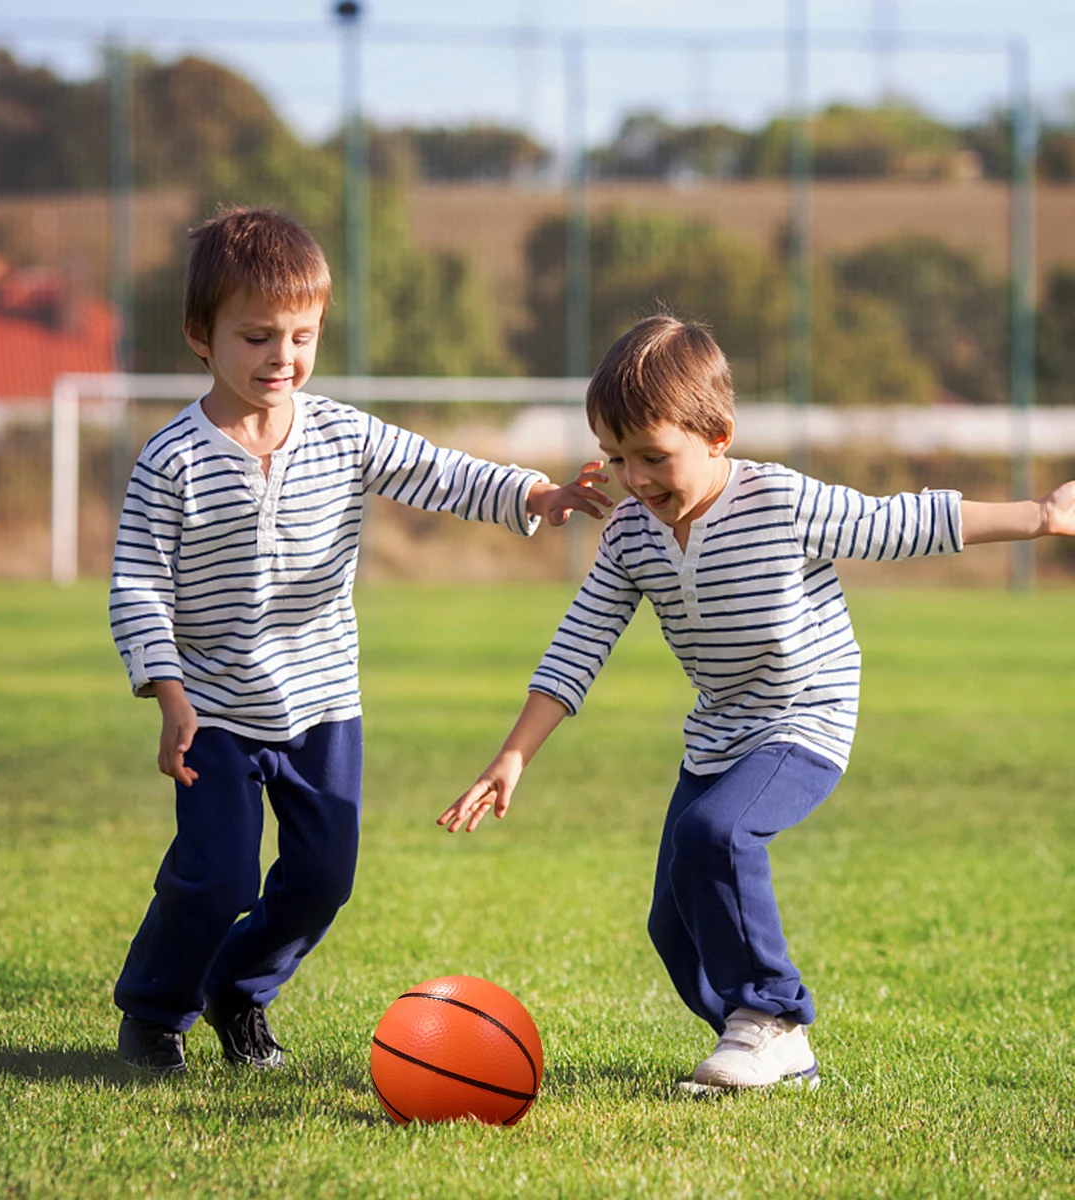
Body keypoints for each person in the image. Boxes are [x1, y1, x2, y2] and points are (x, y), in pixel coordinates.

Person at [439, 314, 1075, 1091]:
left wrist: (1041, 516)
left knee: (717, 834)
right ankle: (769, 1048)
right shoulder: (632, 533)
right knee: (672, 925)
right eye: (616, 457)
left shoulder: (781, 501)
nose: (635, 479)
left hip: (806, 716)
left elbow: (901, 521)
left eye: (653, 456)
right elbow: (580, 641)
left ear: (718, 436)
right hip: (720, 732)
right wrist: (512, 755)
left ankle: (772, 1016)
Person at [108, 206, 612, 1074]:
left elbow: (438, 470)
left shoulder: (342, 432)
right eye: (257, 336)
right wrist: (171, 694)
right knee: (217, 876)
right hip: (216, 713)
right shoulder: (172, 460)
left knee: (323, 878)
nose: (282, 358)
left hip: (322, 707)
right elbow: (137, 584)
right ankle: (155, 1011)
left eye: (301, 336)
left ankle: (240, 992)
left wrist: (533, 495)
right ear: (201, 334)